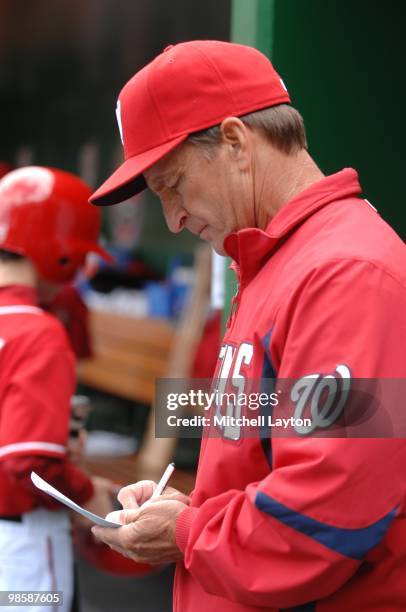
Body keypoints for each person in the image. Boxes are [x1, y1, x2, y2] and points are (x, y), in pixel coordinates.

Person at [89, 41, 406, 611]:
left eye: (173, 184)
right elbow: (272, 463)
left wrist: (188, 533)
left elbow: (323, 514)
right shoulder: (278, 262)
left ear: (235, 141)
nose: (173, 218)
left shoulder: (345, 273)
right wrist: (188, 509)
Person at [0, 166, 114, 612]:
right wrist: (88, 493)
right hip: (19, 555)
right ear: (59, 251)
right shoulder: (39, 331)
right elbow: (27, 462)